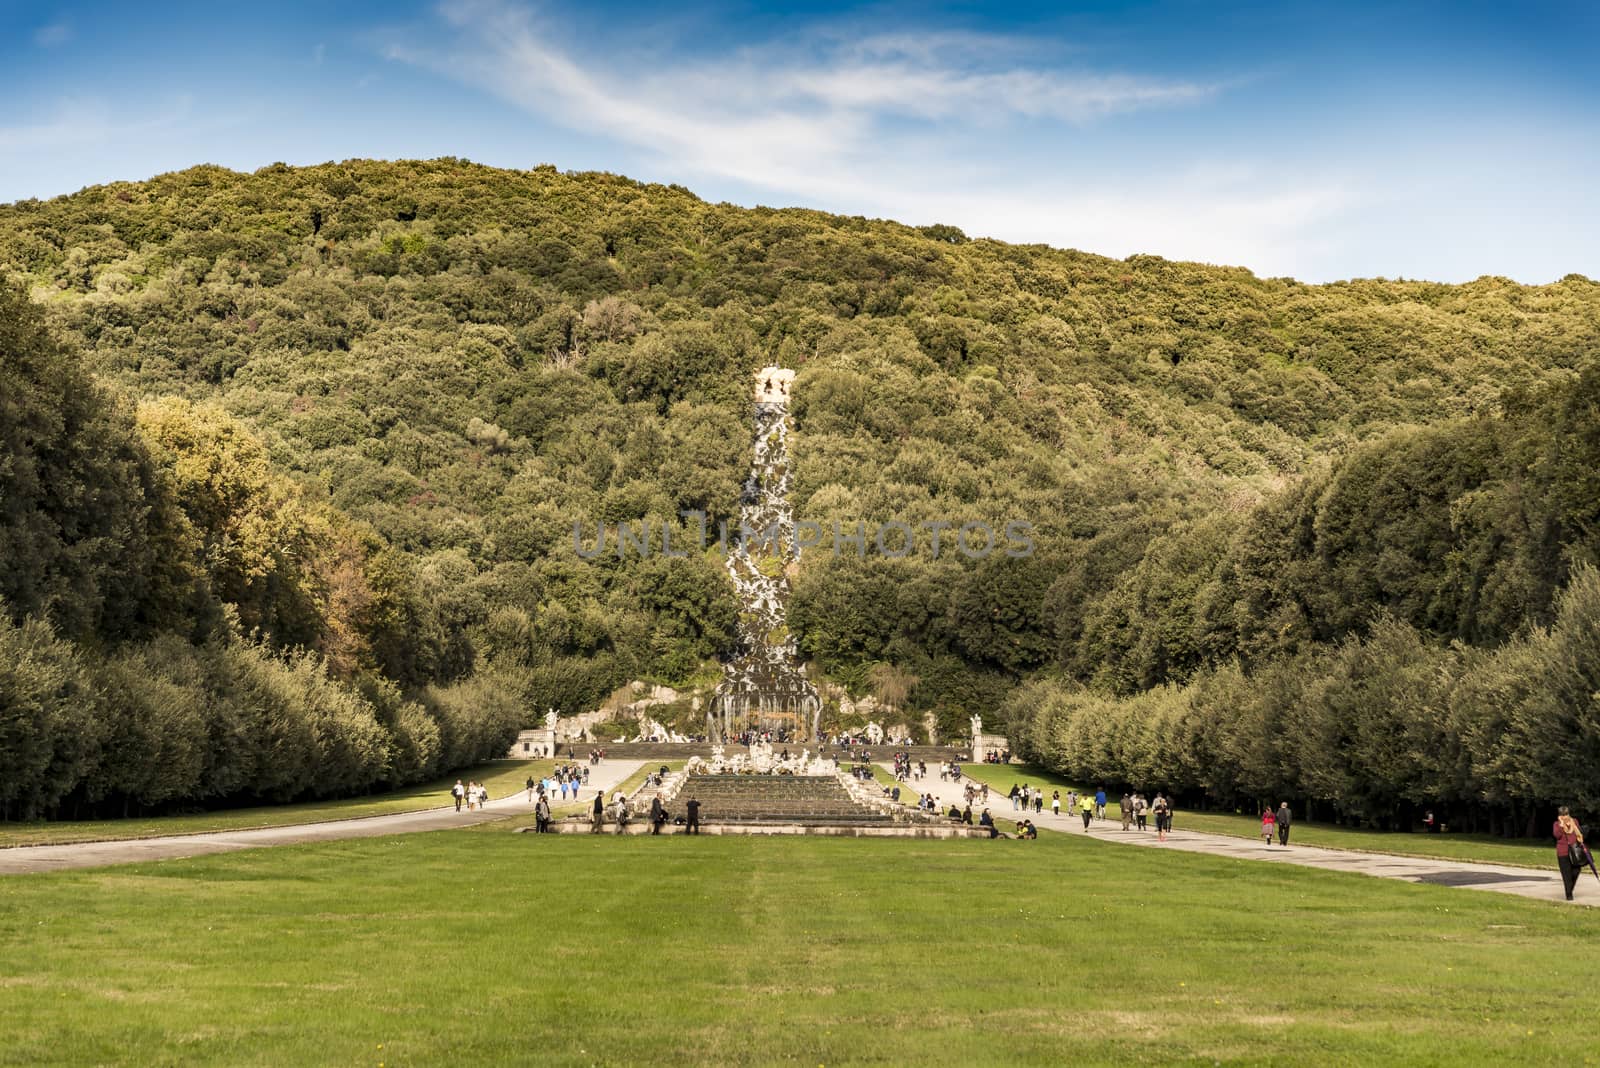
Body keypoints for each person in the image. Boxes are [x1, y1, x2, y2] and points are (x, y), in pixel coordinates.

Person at [1554, 806, 1587, 901]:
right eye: (1562, 815)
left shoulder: (1575, 821)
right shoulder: (1556, 824)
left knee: (1576, 871)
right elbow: (1557, 835)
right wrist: (1561, 825)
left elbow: (1579, 833)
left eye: (1566, 814)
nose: (1565, 817)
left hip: (1575, 851)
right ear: (1559, 815)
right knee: (1566, 874)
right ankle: (1569, 895)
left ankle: (1569, 889)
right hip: (1563, 852)